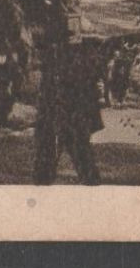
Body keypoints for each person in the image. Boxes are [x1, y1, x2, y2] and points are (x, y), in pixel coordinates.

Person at [33, 39, 105, 185]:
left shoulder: (79, 42)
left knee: (77, 147)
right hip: (55, 98)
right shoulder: (57, 41)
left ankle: (92, 186)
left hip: (72, 100)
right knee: (48, 148)